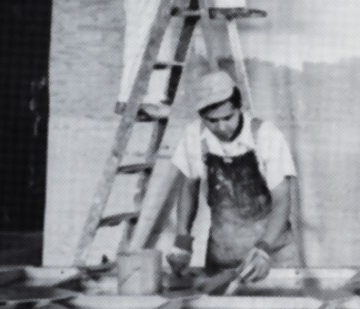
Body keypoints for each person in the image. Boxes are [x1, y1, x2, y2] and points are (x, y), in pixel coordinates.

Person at [128, 72, 298, 283]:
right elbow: (189, 187)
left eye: (228, 118)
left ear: (239, 109)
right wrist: (182, 241)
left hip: (272, 254)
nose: (222, 127)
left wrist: (264, 248)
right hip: (223, 255)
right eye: (212, 121)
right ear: (202, 116)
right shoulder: (194, 136)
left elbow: (282, 199)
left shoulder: (265, 135)